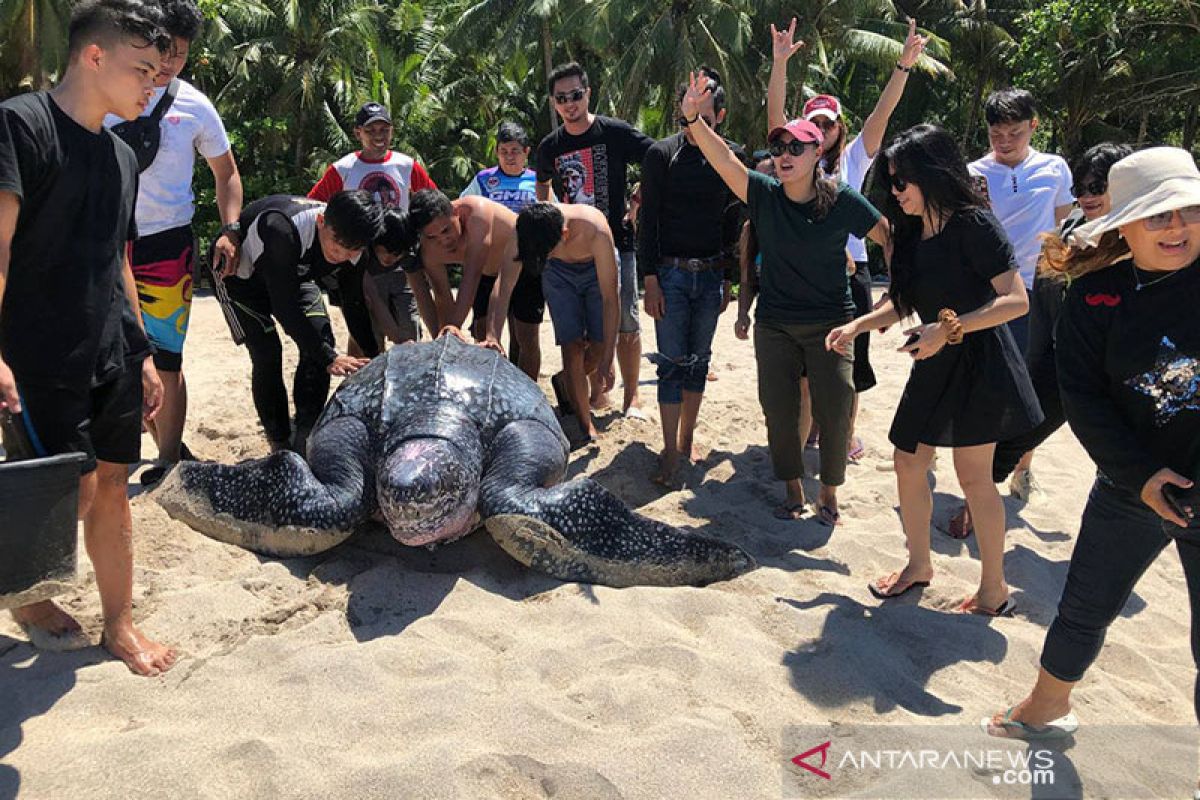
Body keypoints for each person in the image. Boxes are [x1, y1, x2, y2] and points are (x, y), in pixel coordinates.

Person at [984, 146, 1200, 741]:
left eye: (1188, 210)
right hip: (1130, 482)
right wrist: (1140, 476)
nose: (1176, 227)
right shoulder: (1096, 293)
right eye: (1158, 215)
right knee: (1084, 606)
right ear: (1124, 225)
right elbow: (1081, 396)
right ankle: (1047, 704)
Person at [0, 0, 177, 675]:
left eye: (157, 76)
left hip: (108, 348)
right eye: (140, 70)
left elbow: (118, 261)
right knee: (64, 494)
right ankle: (27, 595)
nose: (149, 86)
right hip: (37, 351)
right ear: (92, 56)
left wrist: (142, 352)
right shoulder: (21, 126)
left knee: (113, 482)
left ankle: (119, 623)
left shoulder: (121, 153)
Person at [826, 124, 1042, 616]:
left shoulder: (974, 225)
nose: (895, 192)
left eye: (903, 181)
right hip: (932, 359)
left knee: (973, 479)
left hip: (981, 362)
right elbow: (903, 301)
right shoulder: (908, 231)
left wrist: (948, 328)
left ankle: (994, 588)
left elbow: (1015, 301)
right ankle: (919, 565)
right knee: (907, 461)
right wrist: (858, 325)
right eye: (891, 183)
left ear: (932, 174)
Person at [681, 73, 890, 525]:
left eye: (797, 148)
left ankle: (829, 492)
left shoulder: (842, 200)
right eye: (778, 149)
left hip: (832, 325)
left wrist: (901, 293)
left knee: (835, 414)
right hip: (775, 324)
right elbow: (722, 160)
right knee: (778, 411)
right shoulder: (763, 193)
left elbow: (887, 235)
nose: (785, 156)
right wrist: (694, 118)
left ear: (819, 153)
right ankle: (793, 489)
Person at [951, 143, 1133, 539]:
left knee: (1123, 470)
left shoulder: (1146, 240)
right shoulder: (1069, 234)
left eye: (1097, 185)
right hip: (1064, 361)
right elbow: (1050, 300)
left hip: (1122, 375)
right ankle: (975, 504)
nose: (1086, 195)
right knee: (1019, 432)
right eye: (1081, 185)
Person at [768, 16, 929, 462]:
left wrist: (902, 66)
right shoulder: (794, 160)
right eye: (813, 122)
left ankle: (846, 431)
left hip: (851, 277)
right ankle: (815, 429)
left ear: (839, 128)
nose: (822, 129)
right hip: (803, 274)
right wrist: (780, 62)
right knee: (805, 367)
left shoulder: (854, 160)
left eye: (829, 123)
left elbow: (883, 113)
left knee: (848, 366)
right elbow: (775, 117)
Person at [103, 0, 243, 487]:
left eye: (180, 55)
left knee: (167, 356)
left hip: (168, 247)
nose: (168, 64)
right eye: (163, 50)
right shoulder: (107, 96)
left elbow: (226, 174)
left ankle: (166, 461)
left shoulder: (195, 105)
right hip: (104, 242)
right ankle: (109, 454)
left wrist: (229, 229)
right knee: (109, 353)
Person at [964, 88, 1073, 500]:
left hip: (1043, 287)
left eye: (1014, 131)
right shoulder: (972, 171)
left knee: (1035, 381)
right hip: (990, 288)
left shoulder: (1055, 167)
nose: (1005, 141)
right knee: (993, 381)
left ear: (1033, 126)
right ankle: (982, 470)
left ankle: (1022, 466)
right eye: (996, 133)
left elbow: (1065, 230)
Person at [213, 191, 382, 453]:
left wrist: (374, 357)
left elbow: (354, 303)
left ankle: (305, 436)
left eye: (353, 250)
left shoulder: (356, 244)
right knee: (268, 352)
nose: (341, 254)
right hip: (239, 278)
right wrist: (330, 358)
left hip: (295, 274)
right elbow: (284, 308)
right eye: (336, 243)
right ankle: (279, 442)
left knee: (321, 338)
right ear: (321, 221)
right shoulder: (282, 229)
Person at [638, 69, 742, 486]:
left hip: (712, 274)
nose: (696, 121)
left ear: (720, 115)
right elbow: (649, 221)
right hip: (671, 274)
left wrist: (730, 281)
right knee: (670, 365)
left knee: (700, 363)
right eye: (688, 112)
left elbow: (735, 223)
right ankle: (668, 450)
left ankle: (685, 440)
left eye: (704, 113)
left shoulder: (732, 157)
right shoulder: (661, 155)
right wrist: (649, 278)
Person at [535, 62, 655, 417]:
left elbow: (657, 157)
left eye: (575, 95)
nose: (570, 103)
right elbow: (542, 185)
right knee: (582, 331)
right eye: (561, 98)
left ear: (588, 93)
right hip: (573, 250)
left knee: (626, 323)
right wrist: (548, 222)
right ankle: (590, 391)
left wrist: (640, 195)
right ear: (554, 103)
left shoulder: (613, 132)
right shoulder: (549, 146)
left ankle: (632, 396)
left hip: (619, 239)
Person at [308, 102, 436, 356]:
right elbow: (315, 206)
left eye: (383, 129)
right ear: (358, 133)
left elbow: (431, 202)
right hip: (359, 260)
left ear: (392, 131)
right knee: (365, 331)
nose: (378, 136)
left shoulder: (406, 165)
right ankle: (360, 383)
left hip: (400, 256)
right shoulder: (342, 169)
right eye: (371, 130)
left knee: (409, 328)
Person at [504, 202, 618, 444]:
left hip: (594, 270)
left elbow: (610, 298)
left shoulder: (595, 230)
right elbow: (505, 282)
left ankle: (565, 380)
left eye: (548, 251)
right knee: (572, 345)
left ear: (564, 235)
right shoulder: (531, 226)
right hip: (557, 274)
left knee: (597, 347)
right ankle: (585, 424)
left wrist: (608, 356)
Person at [461, 121, 548, 377]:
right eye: (504, 151)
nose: (510, 156)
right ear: (496, 152)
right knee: (482, 331)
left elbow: (552, 218)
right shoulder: (484, 179)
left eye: (515, 151)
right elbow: (464, 212)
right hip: (489, 266)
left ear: (526, 152)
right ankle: (487, 381)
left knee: (526, 336)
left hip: (528, 266)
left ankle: (527, 390)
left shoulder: (538, 181)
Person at [403, 190, 519, 341]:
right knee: (481, 332)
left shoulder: (478, 213)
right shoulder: (429, 247)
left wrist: (454, 326)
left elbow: (472, 273)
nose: (444, 240)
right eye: (432, 236)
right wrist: (445, 337)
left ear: (456, 212)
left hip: (520, 263)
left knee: (523, 333)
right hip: (487, 273)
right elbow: (441, 293)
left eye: (446, 230)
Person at [362, 208, 429, 346]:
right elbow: (372, 298)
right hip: (363, 280)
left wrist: (437, 335)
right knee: (368, 332)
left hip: (400, 278)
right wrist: (397, 337)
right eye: (385, 251)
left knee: (410, 326)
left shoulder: (408, 252)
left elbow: (421, 292)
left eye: (396, 254)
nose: (389, 258)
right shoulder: (362, 249)